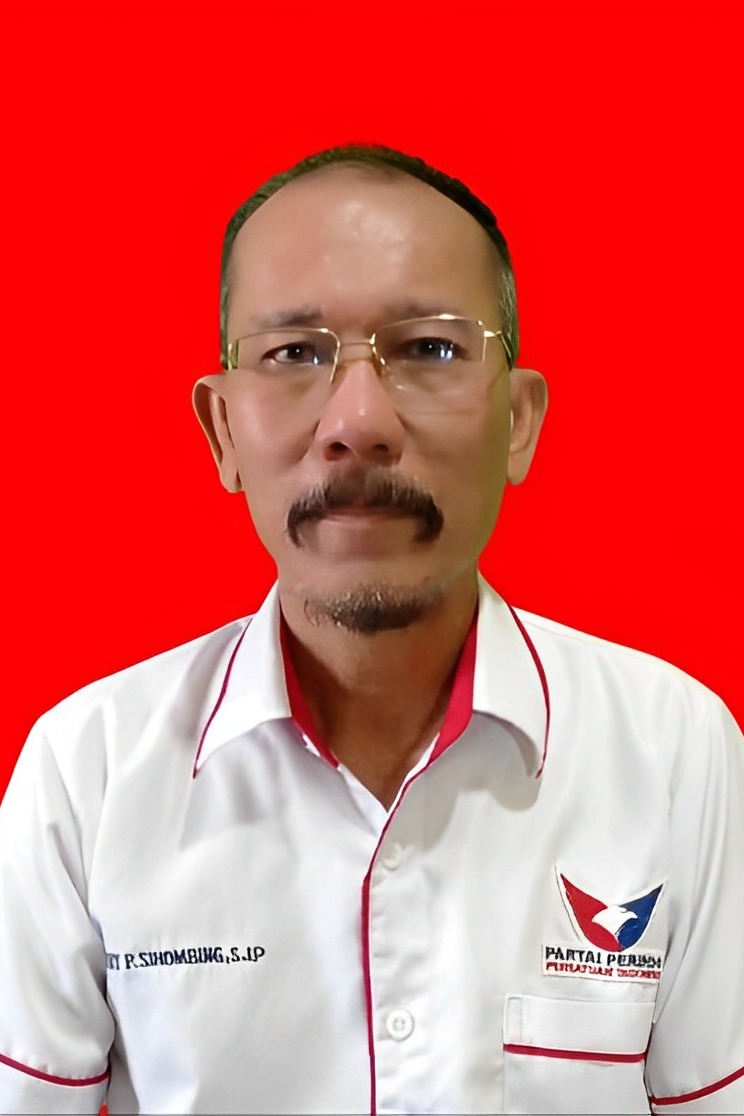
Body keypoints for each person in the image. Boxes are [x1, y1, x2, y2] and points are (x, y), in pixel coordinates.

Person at [0, 144, 742, 1116]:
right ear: (222, 431)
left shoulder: (677, 752)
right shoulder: (86, 776)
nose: (357, 422)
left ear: (519, 420)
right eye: (294, 354)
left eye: (429, 349)